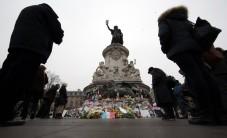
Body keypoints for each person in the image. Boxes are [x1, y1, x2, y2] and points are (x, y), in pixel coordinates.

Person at [158, 5, 226, 125]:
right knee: (207, 78)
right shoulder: (185, 21)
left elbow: (163, 34)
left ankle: (206, 114)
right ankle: (220, 113)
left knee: (195, 80)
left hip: (180, 52)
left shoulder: (165, 20)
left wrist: (165, 48)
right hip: (196, 51)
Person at [0, 3, 64, 124]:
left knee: (6, 75)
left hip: (16, 46)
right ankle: (4, 113)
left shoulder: (27, 10)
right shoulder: (47, 13)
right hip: (32, 49)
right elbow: (58, 36)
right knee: (18, 81)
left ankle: (4, 111)